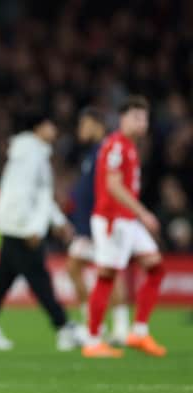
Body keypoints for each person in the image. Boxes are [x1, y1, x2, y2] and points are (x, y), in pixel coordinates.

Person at [0, 114, 83, 352]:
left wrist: (58, 221)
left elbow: (40, 195)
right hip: (22, 227)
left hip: (15, 225)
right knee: (39, 279)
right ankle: (64, 327)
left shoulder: (31, 152)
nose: (54, 131)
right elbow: (22, 193)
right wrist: (31, 228)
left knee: (3, 280)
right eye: (51, 125)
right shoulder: (31, 154)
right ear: (39, 126)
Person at [82, 96, 167, 358]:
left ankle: (138, 332)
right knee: (107, 276)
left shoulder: (129, 146)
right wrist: (143, 213)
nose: (142, 123)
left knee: (155, 267)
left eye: (145, 118)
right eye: (137, 117)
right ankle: (93, 340)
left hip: (127, 219)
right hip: (112, 220)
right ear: (123, 118)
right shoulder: (117, 145)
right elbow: (113, 185)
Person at [66, 108, 130, 345]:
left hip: (101, 222)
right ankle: (96, 324)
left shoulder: (106, 151)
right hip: (86, 226)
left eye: (84, 125)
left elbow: (110, 188)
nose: (80, 130)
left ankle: (121, 329)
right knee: (74, 268)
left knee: (109, 272)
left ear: (96, 124)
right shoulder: (92, 153)